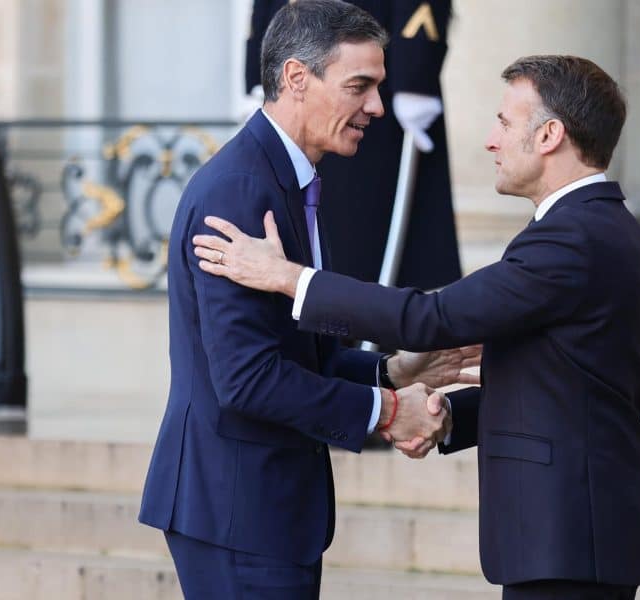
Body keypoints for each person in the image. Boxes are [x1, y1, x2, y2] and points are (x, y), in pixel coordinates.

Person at [194, 55, 640, 599]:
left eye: (505, 123)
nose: (491, 140)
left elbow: (429, 319)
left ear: (551, 135)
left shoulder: (574, 237)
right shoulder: (596, 227)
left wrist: (290, 278)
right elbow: (568, 386)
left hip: (572, 538)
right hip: (575, 536)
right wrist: (444, 421)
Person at [138, 2, 476, 598]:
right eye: (359, 86)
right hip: (239, 509)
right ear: (297, 79)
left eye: (379, 87)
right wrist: (389, 413)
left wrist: (392, 371)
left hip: (261, 508)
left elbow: (292, 352)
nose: (376, 107)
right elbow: (247, 379)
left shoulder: (285, 177)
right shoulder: (243, 191)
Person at [244, 0, 461, 291]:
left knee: (363, 217)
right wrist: (260, 69)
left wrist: (415, 70)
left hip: (372, 67)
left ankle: (361, 321)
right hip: (298, 67)